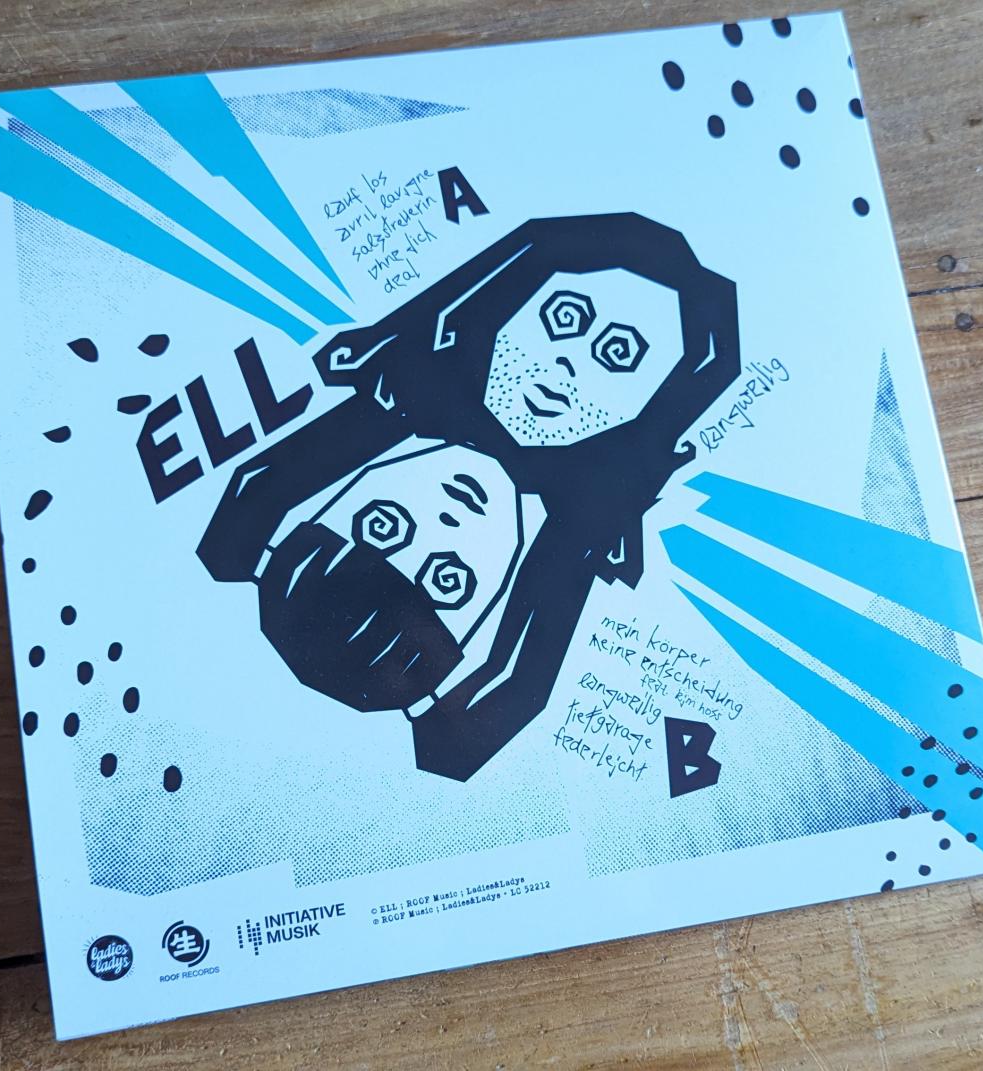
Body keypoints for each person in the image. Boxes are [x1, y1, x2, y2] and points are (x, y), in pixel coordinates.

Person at [198, 212, 740, 780]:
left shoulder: (569, 533)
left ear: (651, 410)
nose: (566, 363)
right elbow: (257, 496)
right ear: (502, 302)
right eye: (563, 319)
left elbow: (506, 698)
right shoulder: (402, 404)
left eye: (618, 358)